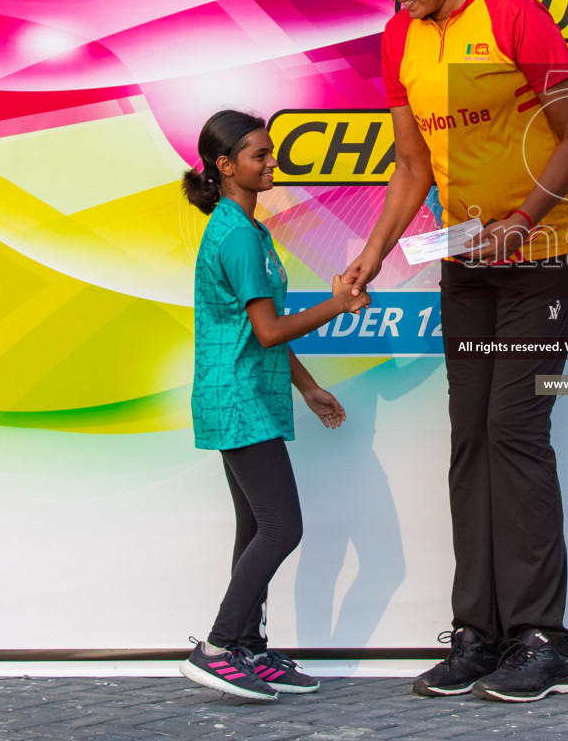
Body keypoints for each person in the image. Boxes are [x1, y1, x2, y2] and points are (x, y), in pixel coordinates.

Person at [341, 0, 568, 703]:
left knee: (513, 432)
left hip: (542, 256)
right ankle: (480, 637)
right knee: (469, 438)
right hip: (466, 260)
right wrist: (374, 250)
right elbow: (411, 164)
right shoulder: (400, 39)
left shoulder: (513, 14)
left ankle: (541, 641)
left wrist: (524, 222)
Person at [178, 109, 371, 701]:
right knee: (282, 527)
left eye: (270, 153)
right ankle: (216, 647)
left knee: (256, 526)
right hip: (238, 401)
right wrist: (338, 305)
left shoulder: (247, 228)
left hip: (245, 395)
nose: (271, 163)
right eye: (259, 156)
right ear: (225, 166)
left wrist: (308, 387)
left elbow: (252, 328)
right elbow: (266, 331)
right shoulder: (236, 235)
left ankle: (247, 649)